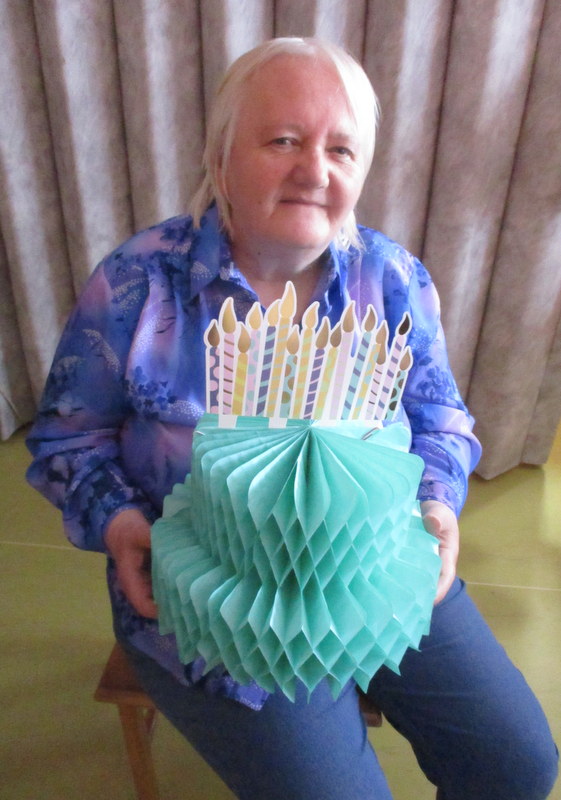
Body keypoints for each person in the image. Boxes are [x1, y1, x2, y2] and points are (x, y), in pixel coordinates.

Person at [26, 37, 557, 799]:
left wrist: (437, 502)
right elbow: (68, 435)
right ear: (219, 155)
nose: (314, 171)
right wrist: (120, 524)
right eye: (282, 140)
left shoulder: (389, 277)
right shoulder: (140, 282)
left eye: (341, 149)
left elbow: (438, 415)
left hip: (372, 565)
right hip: (214, 598)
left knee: (518, 765)